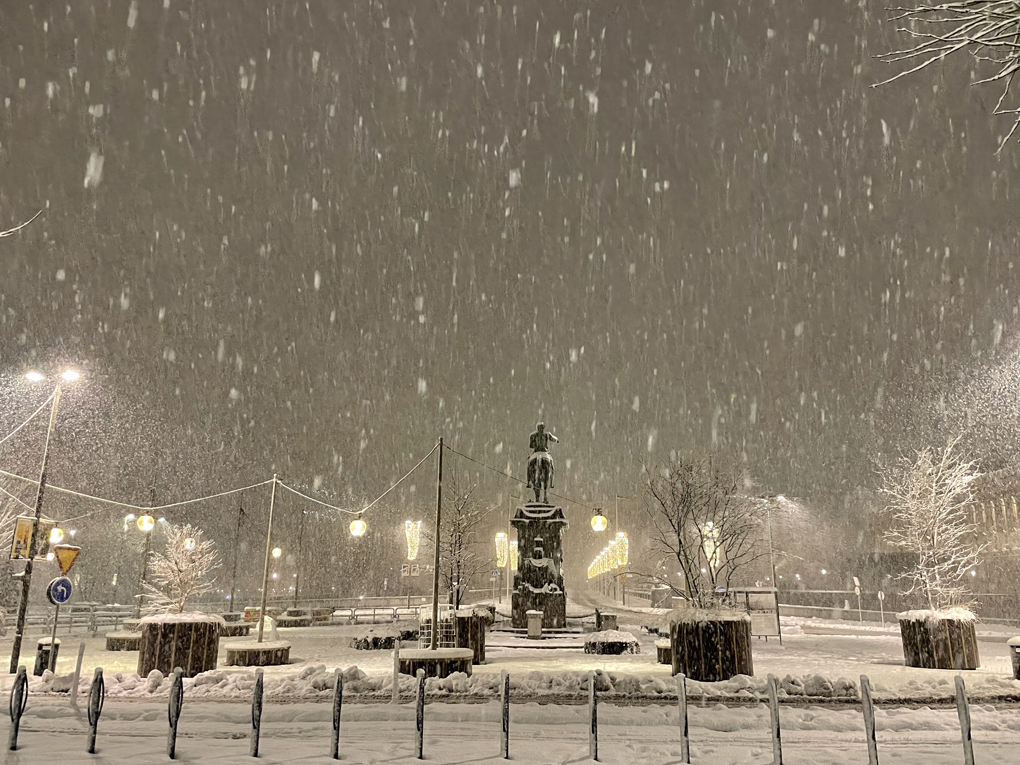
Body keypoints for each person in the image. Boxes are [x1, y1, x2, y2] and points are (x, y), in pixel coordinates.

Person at [527, 422, 559, 488]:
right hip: (545, 453)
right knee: (551, 465)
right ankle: (551, 482)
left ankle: (529, 481)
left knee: (529, 465)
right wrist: (557, 440)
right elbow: (553, 438)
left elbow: (531, 446)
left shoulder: (533, 435)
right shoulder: (547, 434)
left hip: (536, 453)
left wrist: (536, 445)